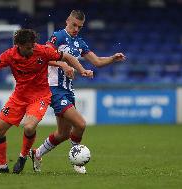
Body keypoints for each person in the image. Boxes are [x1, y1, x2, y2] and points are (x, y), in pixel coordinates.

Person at [0, 29, 93, 174]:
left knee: (29, 127)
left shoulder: (41, 50)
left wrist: (81, 70)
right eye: (29, 47)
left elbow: (66, 56)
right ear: (19, 45)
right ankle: (2, 166)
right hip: (19, 97)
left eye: (33, 45)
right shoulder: (9, 55)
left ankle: (23, 156)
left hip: (40, 96)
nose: (32, 49)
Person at [29, 10, 126, 174]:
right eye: (74, 25)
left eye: (79, 27)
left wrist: (112, 58)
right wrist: (63, 64)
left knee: (63, 134)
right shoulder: (58, 36)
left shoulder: (80, 43)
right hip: (54, 89)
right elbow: (43, 57)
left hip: (67, 90)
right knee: (80, 124)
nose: (76, 29)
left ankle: (37, 154)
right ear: (67, 20)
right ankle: (77, 159)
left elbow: (96, 61)